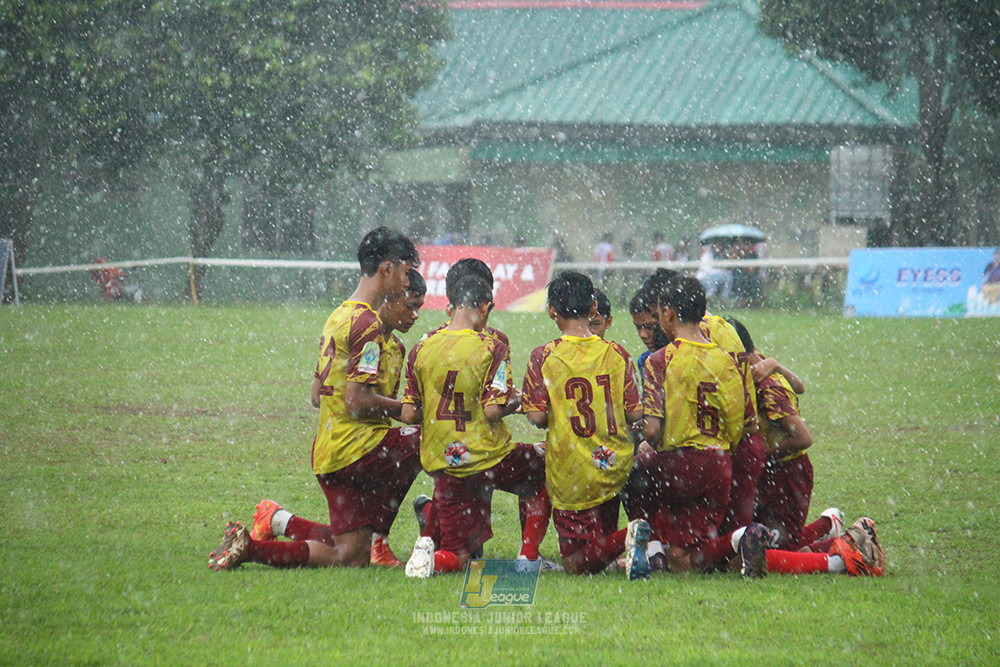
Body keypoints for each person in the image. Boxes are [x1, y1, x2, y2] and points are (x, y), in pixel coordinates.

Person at [208, 226, 423, 570]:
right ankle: (434, 542)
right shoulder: (368, 323)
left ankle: (253, 544)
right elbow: (355, 400)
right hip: (357, 450)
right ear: (387, 269)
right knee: (431, 441)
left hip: (329, 451)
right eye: (406, 270)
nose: (408, 277)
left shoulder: (339, 315)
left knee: (350, 556)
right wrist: (402, 410)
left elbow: (315, 395)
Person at [401, 274, 550, 577]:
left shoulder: (422, 346)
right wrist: (514, 403)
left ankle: (431, 558)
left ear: (451, 306)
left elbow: (408, 414)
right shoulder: (491, 346)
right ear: (484, 308)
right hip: (488, 457)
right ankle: (528, 556)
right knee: (546, 464)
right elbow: (493, 410)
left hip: (446, 463)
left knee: (460, 556)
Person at [624, 275, 770, 578]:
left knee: (631, 472)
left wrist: (643, 433)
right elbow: (740, 423)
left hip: (680, 465)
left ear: (669, 314)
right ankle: (738, 539)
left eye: (659, 313)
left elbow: (652, 430)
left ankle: (650, 548)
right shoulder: (724, 358)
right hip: (719, 464)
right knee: (687, 555)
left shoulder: (661, 360)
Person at [522, 271, 648, 577]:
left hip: (573, 472)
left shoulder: (544, 356)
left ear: (551, 310)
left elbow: (537, 417)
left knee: (575, 565)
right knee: (598, 553)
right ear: (594, 308)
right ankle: (625, 542)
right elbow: (635, 414)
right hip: (613, 467)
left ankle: (627, 536)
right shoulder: (617, 353)